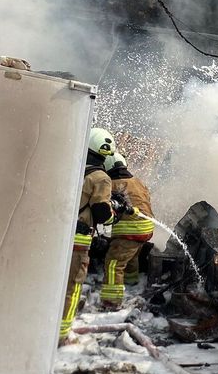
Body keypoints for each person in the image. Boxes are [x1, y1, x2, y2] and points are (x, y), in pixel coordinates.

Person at [60, 128, 118, 345]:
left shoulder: (70, 167)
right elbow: (102, 213)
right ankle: (61, 334)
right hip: (78, 241)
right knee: (71, 286)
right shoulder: (100, 177)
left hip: (56, 235)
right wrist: (114, 212)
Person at [100, 152, 154, 310]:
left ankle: (111, 302)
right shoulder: (136, 181)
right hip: (146, 228)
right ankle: (132, 283)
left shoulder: (111, 183)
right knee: (131, 257)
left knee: (113, 264)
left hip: (130, 231)